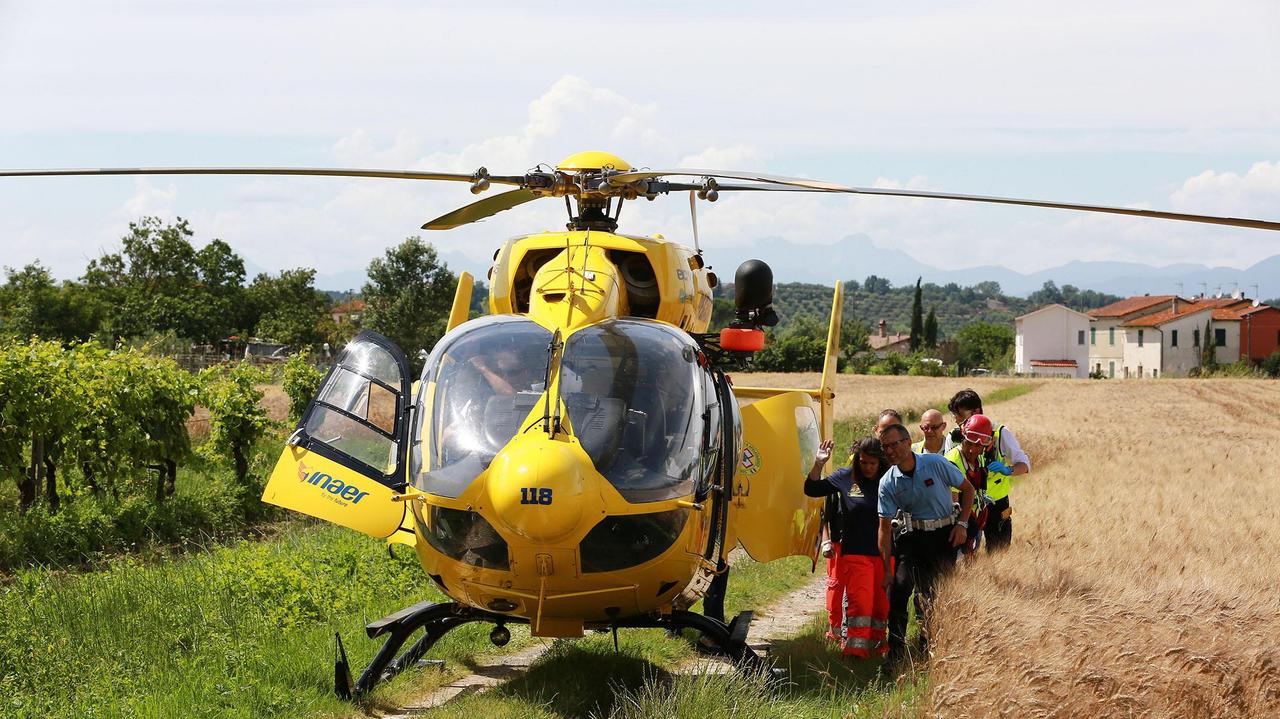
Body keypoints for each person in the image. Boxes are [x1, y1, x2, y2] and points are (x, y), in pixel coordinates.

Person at [876, 422, 974, 676]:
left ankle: (929, 648)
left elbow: (968, 489)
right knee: (899, 592)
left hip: (944, 538)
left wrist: (962, 524)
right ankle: (895, 654)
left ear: (908, 443)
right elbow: (884, 528)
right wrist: (887, 569)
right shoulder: (888, 482)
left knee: (933, 596)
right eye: (885, 447)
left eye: (895, 444)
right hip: (912, 538)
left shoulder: (935, 464)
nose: (890, 451)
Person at [804, 437, 891, 658]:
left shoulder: (890, 478)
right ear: (857, 461)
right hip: (856, 554)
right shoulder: (846, 477)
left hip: (885, 554)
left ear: (880, 462)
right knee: (860, 604)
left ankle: (879, 645)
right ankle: (854, 651)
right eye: (864, 462)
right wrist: (819, 464)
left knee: (881, 606)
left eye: (873, 463)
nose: (868, 467)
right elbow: (812, 488)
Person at [945, 389, 1031, 551]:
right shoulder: (954, 436)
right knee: (966, 556)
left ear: (976, 411)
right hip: (966, 506)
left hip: (997, 504)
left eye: (960, 415)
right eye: (954, 416)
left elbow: (1025, 464)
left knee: (999, 552)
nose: (956, 420)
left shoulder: (1000, 433)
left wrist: (1008, 470)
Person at [943, 414, 997, 556]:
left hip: (974, 523)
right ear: (962, 438)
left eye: (978, 445)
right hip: (958, 527)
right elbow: (953, 502)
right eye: (969, 443)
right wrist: (961, 525)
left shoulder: (980, 458)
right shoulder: (952, 461)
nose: (972, 449)